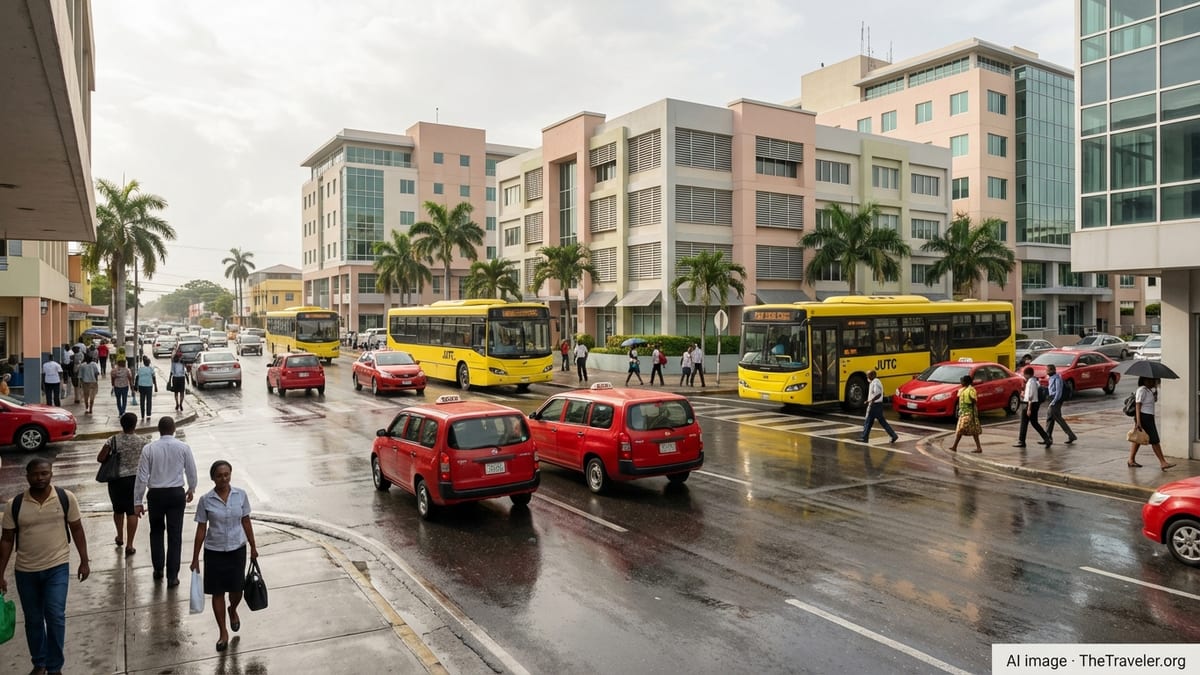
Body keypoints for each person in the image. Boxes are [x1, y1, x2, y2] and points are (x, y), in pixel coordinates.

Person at [0, 458, 90, 675]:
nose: (40, 478)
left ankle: (54, 666)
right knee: (33, 620)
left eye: (44, 473)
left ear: (51, 474)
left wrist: (84, 561)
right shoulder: (16, 504)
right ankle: (39, 662)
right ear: (27, 476)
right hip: (25, 572)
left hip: (57, 567)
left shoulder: (65, 498)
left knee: (55, 614)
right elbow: (6, 539)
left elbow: (77, 529)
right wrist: (0, 572)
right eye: (35, 474)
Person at [190, 460, 259, 653]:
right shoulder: (206, 500)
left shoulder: (241, 495)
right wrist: (195, 558)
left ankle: (233, 609)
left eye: (227, 474)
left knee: (237, 590)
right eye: (219, 475)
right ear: (213, 478)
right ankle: (223, 632)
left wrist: (253, 546)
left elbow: (246, 521)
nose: (224, 479)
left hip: (237, 550)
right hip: (214, 552)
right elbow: (201, 529)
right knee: (217, 592)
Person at [134, 416, 198, 588]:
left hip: (155, 494)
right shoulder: (183, 447)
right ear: (174, 429)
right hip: (176, 494)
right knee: (175, 535)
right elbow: (191, 471)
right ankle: (172, 576)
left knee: (156, 532)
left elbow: (141, 477)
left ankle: (158, 568)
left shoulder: (149, 449)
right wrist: (191, 488)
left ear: (159, 430)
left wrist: (137, 501)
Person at [98, 412, 145, 556]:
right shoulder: (143, 441)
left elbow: (100, 458)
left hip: (116, 480)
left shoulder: (112, 440)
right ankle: (130, 545)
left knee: (118, 510)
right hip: (135, 480)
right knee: (132, 511)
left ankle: (119, 536)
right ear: (135, 424)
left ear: (122, 424)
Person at [1129, 377, 1176, 470]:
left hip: (1148, 417)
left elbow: (1151, 402)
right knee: (1154, 440)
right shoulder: (1142, 390)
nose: (1152, 382)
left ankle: (1131, 460)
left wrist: (1155, 391)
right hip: (1144, 417)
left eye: (1153, 381)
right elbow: (1138, 405)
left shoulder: (1149, 391)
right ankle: (1163, 462)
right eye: (1149, 380)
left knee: (1138, 438)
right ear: (1144, 381)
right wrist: (1138, 421)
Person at [859, 370, 898, 444]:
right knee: (878, 422)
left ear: (872, 375)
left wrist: (871, 401)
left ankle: (864, 437)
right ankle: (893, 435)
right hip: (876, 405)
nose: (867, 377)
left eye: (868, 375)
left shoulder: (876, 382)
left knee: (868, 421)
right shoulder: (873, 382)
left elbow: (879, 394)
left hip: (875, 406)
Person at [1014, 366, 1049, 448]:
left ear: (1027, 374)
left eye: (1024, 374)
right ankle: (1047, 439)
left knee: (1024, 423)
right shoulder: (1035, 381)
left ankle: (1021, 441)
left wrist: (1029, 408)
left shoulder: (1031, 382)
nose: (1023, 376)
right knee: (1034, 423)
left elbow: (1031, 396)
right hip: (1034, 404)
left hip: (1030, 404)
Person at [1043, 363, 1078, 446]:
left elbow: (1058, 392)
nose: (1046, 372)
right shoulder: (1051, 378)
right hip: (1052, 399)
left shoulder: (1057, 378)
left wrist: (1053, 402)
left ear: (1052, 370)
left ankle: (1071, 435)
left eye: (1047, 370)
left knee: (1058, 419)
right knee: (1050, 419)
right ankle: (1048, 438)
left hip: (1056, 400)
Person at [948, 375, 983, 453]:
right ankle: (978, 448)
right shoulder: (963, 390)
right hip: (963, 413)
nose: (961, 382)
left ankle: (955, 446)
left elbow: (974, 400)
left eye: (962, 381)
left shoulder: (971, 390)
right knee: (972, 431)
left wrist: (971, 400)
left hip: (969, 413)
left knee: (961, 429)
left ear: (966, 382)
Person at [136, 355, 158, 421]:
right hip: (149, 386)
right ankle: (148, 414)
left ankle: (142, 414)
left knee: (142, 400)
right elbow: (154, 377)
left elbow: (137, 377)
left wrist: (136, 386)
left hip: (141, 386)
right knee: (149, 400)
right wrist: (156, 386)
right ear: (148, 363)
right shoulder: (151, 369)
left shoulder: (140, 369)